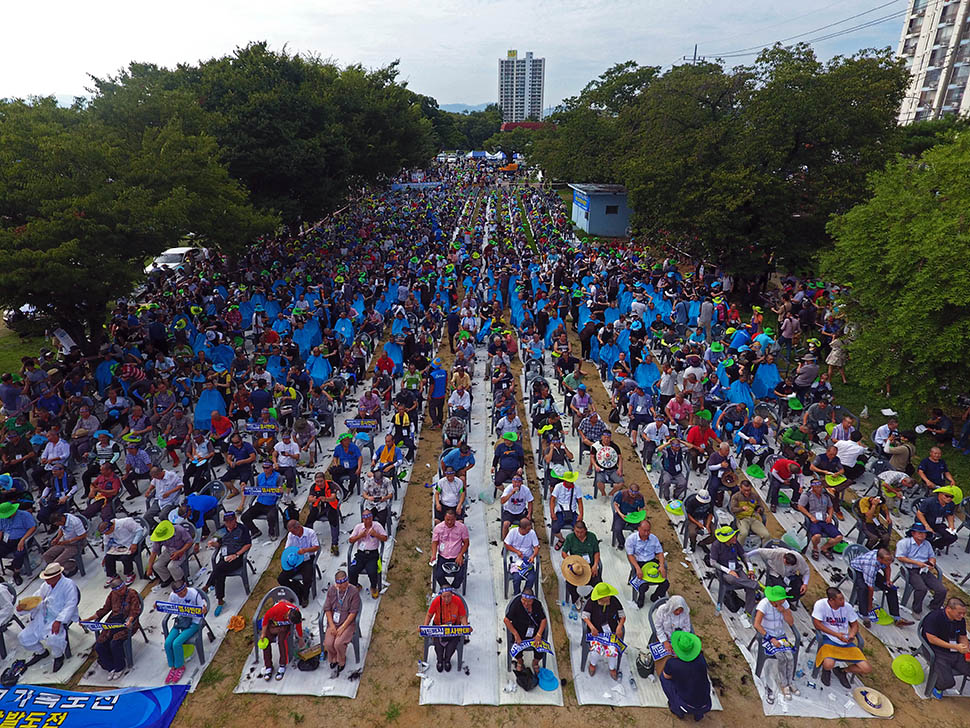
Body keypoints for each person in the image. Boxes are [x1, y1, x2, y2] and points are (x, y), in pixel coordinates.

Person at [17, 562, 79, 673]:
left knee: (53, 637)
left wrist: (59, 621)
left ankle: (58, 656)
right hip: (43, 615)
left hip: (58, 616)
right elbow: (36, 599)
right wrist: (24, 607)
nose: (46, 581)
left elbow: (71, 604)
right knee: (23, 637)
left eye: (49, 578)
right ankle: (41, 652)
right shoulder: (46, 585)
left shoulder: (69, 585)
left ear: (57, 576)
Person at [811, 587, 872, 688]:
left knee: (866, 668)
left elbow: (855, 625)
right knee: (828, 664)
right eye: (840, 599)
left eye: (843, 598)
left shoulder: (847, 607)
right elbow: (817, 624)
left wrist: (851, 635)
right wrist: (837, 635)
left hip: (846, 641)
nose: (843, 601)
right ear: (831, 600)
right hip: (829, 638)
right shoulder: (821, 605)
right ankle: (826, 671)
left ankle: (842, 671)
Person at [86, 575, 142, 679]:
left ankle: (120, 667)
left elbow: (134, 611)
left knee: (115, 643)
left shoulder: (131, 593)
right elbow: (105, 609)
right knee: (100, 644)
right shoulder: (112, 595)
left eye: (122, 589)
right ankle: (110, 666)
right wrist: (88, 619)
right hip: (113, 623)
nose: (121, 592)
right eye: (118, 590)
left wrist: (129, 620)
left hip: (127, 624)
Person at [753, 585, 800, 703]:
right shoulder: (764, 604)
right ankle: (784, 684)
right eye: (780, 600)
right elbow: (757, 624)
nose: (783, 602)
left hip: (780, 635)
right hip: (768, 636)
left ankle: (790, 682)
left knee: (789, 656)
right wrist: (770, 638)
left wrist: (784, 611)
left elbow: (791, 622)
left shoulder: (784, 604)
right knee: (781, 658)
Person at [849, 547, 913, 628]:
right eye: (887, 561)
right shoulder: (870, 564)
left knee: (891, 588)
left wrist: (887, 580)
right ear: (879, 559)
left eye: (890, 560)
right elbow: (870, 587)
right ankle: (864, 614)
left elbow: (887, 567)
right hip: (857, 570)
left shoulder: (886, 557)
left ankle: (896, 617)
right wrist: (869, 606)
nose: (889, 562)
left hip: (871, 571)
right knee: (863, 588)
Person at [920, 597, 970, 699]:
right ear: (949, 609)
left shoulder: (960, 620)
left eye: (964, 613)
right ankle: (937, 687)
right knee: (948, 682)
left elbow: (963, 636)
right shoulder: (934, 617)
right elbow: (932, 639)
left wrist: (966, 649)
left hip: (954, 650)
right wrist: (955, 646)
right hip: (935, 650)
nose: (962, 616)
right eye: (959, 613)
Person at [204, 511, 251, 616]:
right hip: (224, 558)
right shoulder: (222, 530)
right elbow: (218, 543)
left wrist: (237, 555)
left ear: (235, 520)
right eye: (227, 522)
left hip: (236, 557)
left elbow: (248, 544)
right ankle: (220, 600)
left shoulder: (242, 529)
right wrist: (213, 543)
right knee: (220, 572)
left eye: (231, 521)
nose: (229, 524)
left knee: (219, 568)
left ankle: (207, 586)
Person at [894, 523, 947, 617]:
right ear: (913, 533)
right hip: (909, 569)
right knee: (921, 589)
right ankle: (916, 610)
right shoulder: (904, 543)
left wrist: (931, 563)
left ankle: (934, 607)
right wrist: (917, 563)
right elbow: (900, 557)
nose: (922, 535)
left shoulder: (927, 544)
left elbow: (932, 556)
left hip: (924, 569)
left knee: (941, 590)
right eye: (919, 533)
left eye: (924, 533)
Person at [660, 630, 712, 721]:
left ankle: (678, 710)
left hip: (687, 705)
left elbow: (667, 677)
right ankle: (699, 715)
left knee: (663, 678)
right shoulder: (700, 658)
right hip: (706, 704)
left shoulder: (672, 663)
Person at [163, 580, 206, 684]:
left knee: (176, 643)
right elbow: (170, 607)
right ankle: (172, 666)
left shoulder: (194, 594)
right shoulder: (173, 596)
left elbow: (203, 606)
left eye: (183, 591)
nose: (182, 594)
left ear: (186, 586)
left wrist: (203, 609)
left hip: (193, 623)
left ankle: (180, 666)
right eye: (179, 593)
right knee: (168, 643)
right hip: (181, 621)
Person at [710, 526, 759, 615]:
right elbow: (713, 562)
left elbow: (744, 556)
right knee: (733, 579)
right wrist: (729, 571)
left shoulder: (735, 543)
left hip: (737, 569)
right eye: (732, 537)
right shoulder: (716, 545)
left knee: (750, 586)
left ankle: (749, 610)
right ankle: (755, 585)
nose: (735, 538)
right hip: (724, 572)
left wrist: (750, 569)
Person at [581, 582, 625, 680]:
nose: (608, 598)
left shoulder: (614, 601)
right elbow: (585, 616)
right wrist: (591, 627)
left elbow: (622, 615)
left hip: (611, 632)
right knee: (595, 651)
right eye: (606, 597)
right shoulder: (592, 602)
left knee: (613, 651)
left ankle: (612, 668)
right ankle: (592, 664)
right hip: (596, 632)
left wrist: (619, 626)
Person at [322, 569, 361, 679]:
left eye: (345, 583)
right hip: (334, 622)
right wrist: (332, 625)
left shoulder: (353, 591)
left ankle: (342, 660)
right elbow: (327, 609)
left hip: (347, 623)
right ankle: (333, 658)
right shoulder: (332, 590)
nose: (343, 586)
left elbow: (353, 612)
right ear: (336, 584)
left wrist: (343, 627)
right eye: (340, 584)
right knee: (329, 643)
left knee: (338, 643)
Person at [424, 587, 470, 673]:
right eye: (444, 597)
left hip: (453, 628)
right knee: (438, 647)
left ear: (452, 594)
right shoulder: (436, 601)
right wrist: (425, 627)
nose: (446, 599)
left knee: (451, 647)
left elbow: (463, 616)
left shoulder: (457, 601)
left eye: (448, 596)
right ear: (441, 596)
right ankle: (440, 661)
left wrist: (465, 626)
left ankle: (447, 660)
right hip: (438, 627)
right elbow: (429, 615)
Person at [258, 598, 304, 682]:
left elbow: (298, 626)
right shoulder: (278, 609)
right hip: (273, 623)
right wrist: (263, 633)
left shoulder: (296, 613)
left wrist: (301, 639)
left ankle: (282, 665)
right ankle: (268, 666)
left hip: (283, 627)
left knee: (282, 641)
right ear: (287, 616)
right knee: (266, 641)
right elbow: (266, 618)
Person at [504, 587, 548, 675]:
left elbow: (543, 620)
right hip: (519, 631)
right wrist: (515, 634)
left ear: (532, 600)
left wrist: (539, 635)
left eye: (529, 601)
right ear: (521, 598)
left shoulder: (537, 604)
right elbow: (506, 620)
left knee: (540, 647)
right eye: (524, 600)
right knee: (516, 648)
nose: (526, 604)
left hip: (534, 632)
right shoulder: (516, 604)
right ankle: (520, 661)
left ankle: (535, 662)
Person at [625, 519, 669, 607]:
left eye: (648, 530)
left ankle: (655, 596)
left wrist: (661, 566)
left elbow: (660, 553)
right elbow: (630, 555)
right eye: (644, 530)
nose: (646, 533)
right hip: (639, 562)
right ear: (639, 529)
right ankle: (641, 597)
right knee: (643, 585)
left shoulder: (653, 538)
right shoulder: (632, 539)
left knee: (665, 583)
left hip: (651, 562)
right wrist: (637, 568)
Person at [797, 480, 843, 561]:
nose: (819, 489)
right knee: (816, 536)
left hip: (825, 520)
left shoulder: (826, 496)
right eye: (817, 487)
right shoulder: (807, 495)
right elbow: (800, 507)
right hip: (814, 521)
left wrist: (830, 516)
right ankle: (815, 548)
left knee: (839, 537)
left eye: (820, 487)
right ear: (812, 487)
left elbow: (830, 507)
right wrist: (810, 516)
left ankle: (824, 548)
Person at [278, 519, 320, 608]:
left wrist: (305, 550)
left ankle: (305, 596)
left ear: (298, 527)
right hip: (296, 560)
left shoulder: (310, 533)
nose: (292, 534)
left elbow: (316, 547)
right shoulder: (291, 535)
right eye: (291, 532)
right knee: (281, 578)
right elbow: (287, 549)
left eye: (293, 532)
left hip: (307, 559)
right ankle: (296, 590)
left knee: (308, 578)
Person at [347, 510, 387, 599]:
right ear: (363, 519)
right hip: (361, 554)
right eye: (365, 519)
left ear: (372, 518)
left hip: (372, 554)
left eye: (369, 519)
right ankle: (355, 586)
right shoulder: (358, 527)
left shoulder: (377, 526)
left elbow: (385, 538)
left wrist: (376, 534)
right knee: (352, 569)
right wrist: (359, 536)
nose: (368, 521)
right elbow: (350, 540)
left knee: (372, 571)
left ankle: (373, 587)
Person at [562, 520, 602, 603]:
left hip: (589, 567)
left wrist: (595, 565)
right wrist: (570, 561)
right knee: (569, 584)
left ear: (585, 530)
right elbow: (564, 552)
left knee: (599, 585)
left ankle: (589, 598)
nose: (579, 534)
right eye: (577, 532)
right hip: (576, 567)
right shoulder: (570, 537)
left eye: (581, 532)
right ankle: (576, 599)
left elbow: (596, 552)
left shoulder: (592, 537)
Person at [240, 462, 283, 539]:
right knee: (244, 517)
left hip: (271, 504)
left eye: (267, 468)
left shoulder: (278, 477)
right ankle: (255, 531)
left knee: (271, 516)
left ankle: (272, 533)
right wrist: (246, 489)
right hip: (260, 503)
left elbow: (282, 490)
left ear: (271, 467)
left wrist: (281, 491)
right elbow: (256, 490)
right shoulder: (259, 477)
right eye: (264, 468)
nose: (265, 470)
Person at [146, 519, 192, 591]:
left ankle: (180, 580)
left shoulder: (179, 530)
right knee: (156, 565)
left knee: (172, 566)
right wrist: (149, 568)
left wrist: (180, 552)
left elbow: (189, 542)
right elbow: (154, 553)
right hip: (169, 550)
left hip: (183, 549)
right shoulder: (159, 536)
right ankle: (168, 578)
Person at [430, 509, 469, 592]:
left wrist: (460, 555)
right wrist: (433, 554)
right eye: (447, 520)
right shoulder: (438, 528)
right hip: (443, 556)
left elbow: (466, 543)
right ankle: (447, 589)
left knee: (459, 577)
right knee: (438, 575)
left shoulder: (462, 528)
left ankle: (453, 587)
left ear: (455, 518)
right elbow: (434, 542)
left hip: (456, 556)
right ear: (444, 518)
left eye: (452, 520)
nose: (449, 522)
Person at [99, 517, 145, 585]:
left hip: (133, 542)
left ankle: (130, 574)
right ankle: (113, 575)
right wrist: (105, 556)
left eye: (106, 532)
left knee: (125, 558)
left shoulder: (125, 522)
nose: (106, 535)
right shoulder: (107, 533)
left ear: (111, 528)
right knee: (108, 557)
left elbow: (139, 531)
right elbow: (106, 544)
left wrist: (134, 543)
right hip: (119, 545)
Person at [0, 501, 37, 585]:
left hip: (20, 539)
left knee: (19, 553)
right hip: (7, 540)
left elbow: (32, 527)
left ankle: (16, 573)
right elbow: (1, 530)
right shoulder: (2, 518)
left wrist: (23, 539)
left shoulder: (24, 515)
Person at [306, 472, 341, 555]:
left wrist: (325, 499)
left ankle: (334, 543)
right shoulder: (314, 487)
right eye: (317, 481)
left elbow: (333, 498)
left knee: (333, 519)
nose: (319, 483)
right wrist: (313, 499)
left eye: (321, 481)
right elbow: (309, 499)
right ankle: (308, 541)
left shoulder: (331, 485)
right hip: (319, 506)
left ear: (324, 480)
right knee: (309, 520)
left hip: (330, 505)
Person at [914, 486, 960, 551]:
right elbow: (919, 513)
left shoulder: (951, 504)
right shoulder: (929, 502)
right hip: (924, 522)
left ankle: (934, 545)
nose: (949, 498)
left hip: (938, 523)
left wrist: (951, 525)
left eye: (951, 497)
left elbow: (950, 515)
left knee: (952, 537)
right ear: (940, 494)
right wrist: (926, 526)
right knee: (926, 535)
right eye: (947, 496)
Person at [42, 512, 87, 576]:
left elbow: (83, 535)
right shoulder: (62, 520)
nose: (58, 525)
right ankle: (58, 569)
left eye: (58, 523)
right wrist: (57, 538)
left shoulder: (75, 522)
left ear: (62, 519)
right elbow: (61, 529)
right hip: (65, 542)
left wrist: (68, 541)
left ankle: (73, 566)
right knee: (46, 556)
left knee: (57, 562)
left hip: (76, 544)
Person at [504, 517, 541, 593]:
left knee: (531, 578)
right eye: (528, 529)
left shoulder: (532, 533)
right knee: (517, 579)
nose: (529, 530)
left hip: (527, 561)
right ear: (522, 528)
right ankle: (517, 595)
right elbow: (506, 544)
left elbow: (536, 547)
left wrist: (533, 556)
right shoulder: (513, 532)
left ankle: (525, 593)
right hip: (516, 561)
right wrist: (516, 551)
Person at [549, 471, 583, 550]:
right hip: (560, 512)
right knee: (555, 528)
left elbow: (580, 502)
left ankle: (575, 542)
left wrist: (581, 514)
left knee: (581, 528)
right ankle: (561, 539)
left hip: (572, 512)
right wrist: (552, 513)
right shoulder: (558, 487)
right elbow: (552, 500)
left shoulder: (577, 488)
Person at [653, 595, 693, 659]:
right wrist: (665, 641)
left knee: (680, 657)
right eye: (676, 610)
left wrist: (678, 641)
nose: (678, 612)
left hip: (679, 638)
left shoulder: (685, 612)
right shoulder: (662, 610)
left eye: (681, 610)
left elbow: (687, 627)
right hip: (664, 636)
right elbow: (658, 626)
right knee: (664, 658)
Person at [610, 484, 645, 548]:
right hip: (622, 514)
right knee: (617, 529)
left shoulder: (640, 497)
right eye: (632, 493)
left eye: (635, 494)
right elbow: (615, 504)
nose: (633, 495)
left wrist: (640, 515)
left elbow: (641, 507)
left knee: (643, 527)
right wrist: (620, 514)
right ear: (629, 491)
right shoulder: (622, 494)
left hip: (633, 515)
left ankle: (638, 542)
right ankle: (621, 542)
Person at [591, 430, 624, 498]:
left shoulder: (615, 446)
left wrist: (620, 468)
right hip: (601, 469)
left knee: (621, 482)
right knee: (599, 482)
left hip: (613, 469)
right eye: (605, 437)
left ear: (610, 438)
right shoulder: (596, 446)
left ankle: (611, 493)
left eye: (608, 437)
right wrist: (596, 466)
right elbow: (592, 457)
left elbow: (620, 458)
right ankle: (603, 493)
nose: (606, 439)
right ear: (602, 437)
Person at [499, 474, 533, 539]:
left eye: (518, 482)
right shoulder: (508, 488)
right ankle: (505, 542)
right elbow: (502, 501)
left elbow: (530, 502)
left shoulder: (525, 490)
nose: (517, 484)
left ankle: (526, 539)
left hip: (521, 511)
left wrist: (529, 514)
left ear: (521, 482)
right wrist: (511, 493)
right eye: (515, 482)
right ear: (512, 482)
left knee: (527, 524)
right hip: (509, 511)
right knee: (506, 524)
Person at [272, 431, 301, 495]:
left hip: (289, 466)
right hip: (280, 465)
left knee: (289, 477)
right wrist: (275, 463)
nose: (285, 440)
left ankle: (287, 493)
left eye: (287, 439)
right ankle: (274, 490)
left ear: (289, 438)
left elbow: (297, 457)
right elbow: (274, 455)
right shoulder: (279, 445)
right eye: (284, 439)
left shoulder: (294, 445)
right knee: (270, 473)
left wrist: (290, 455)